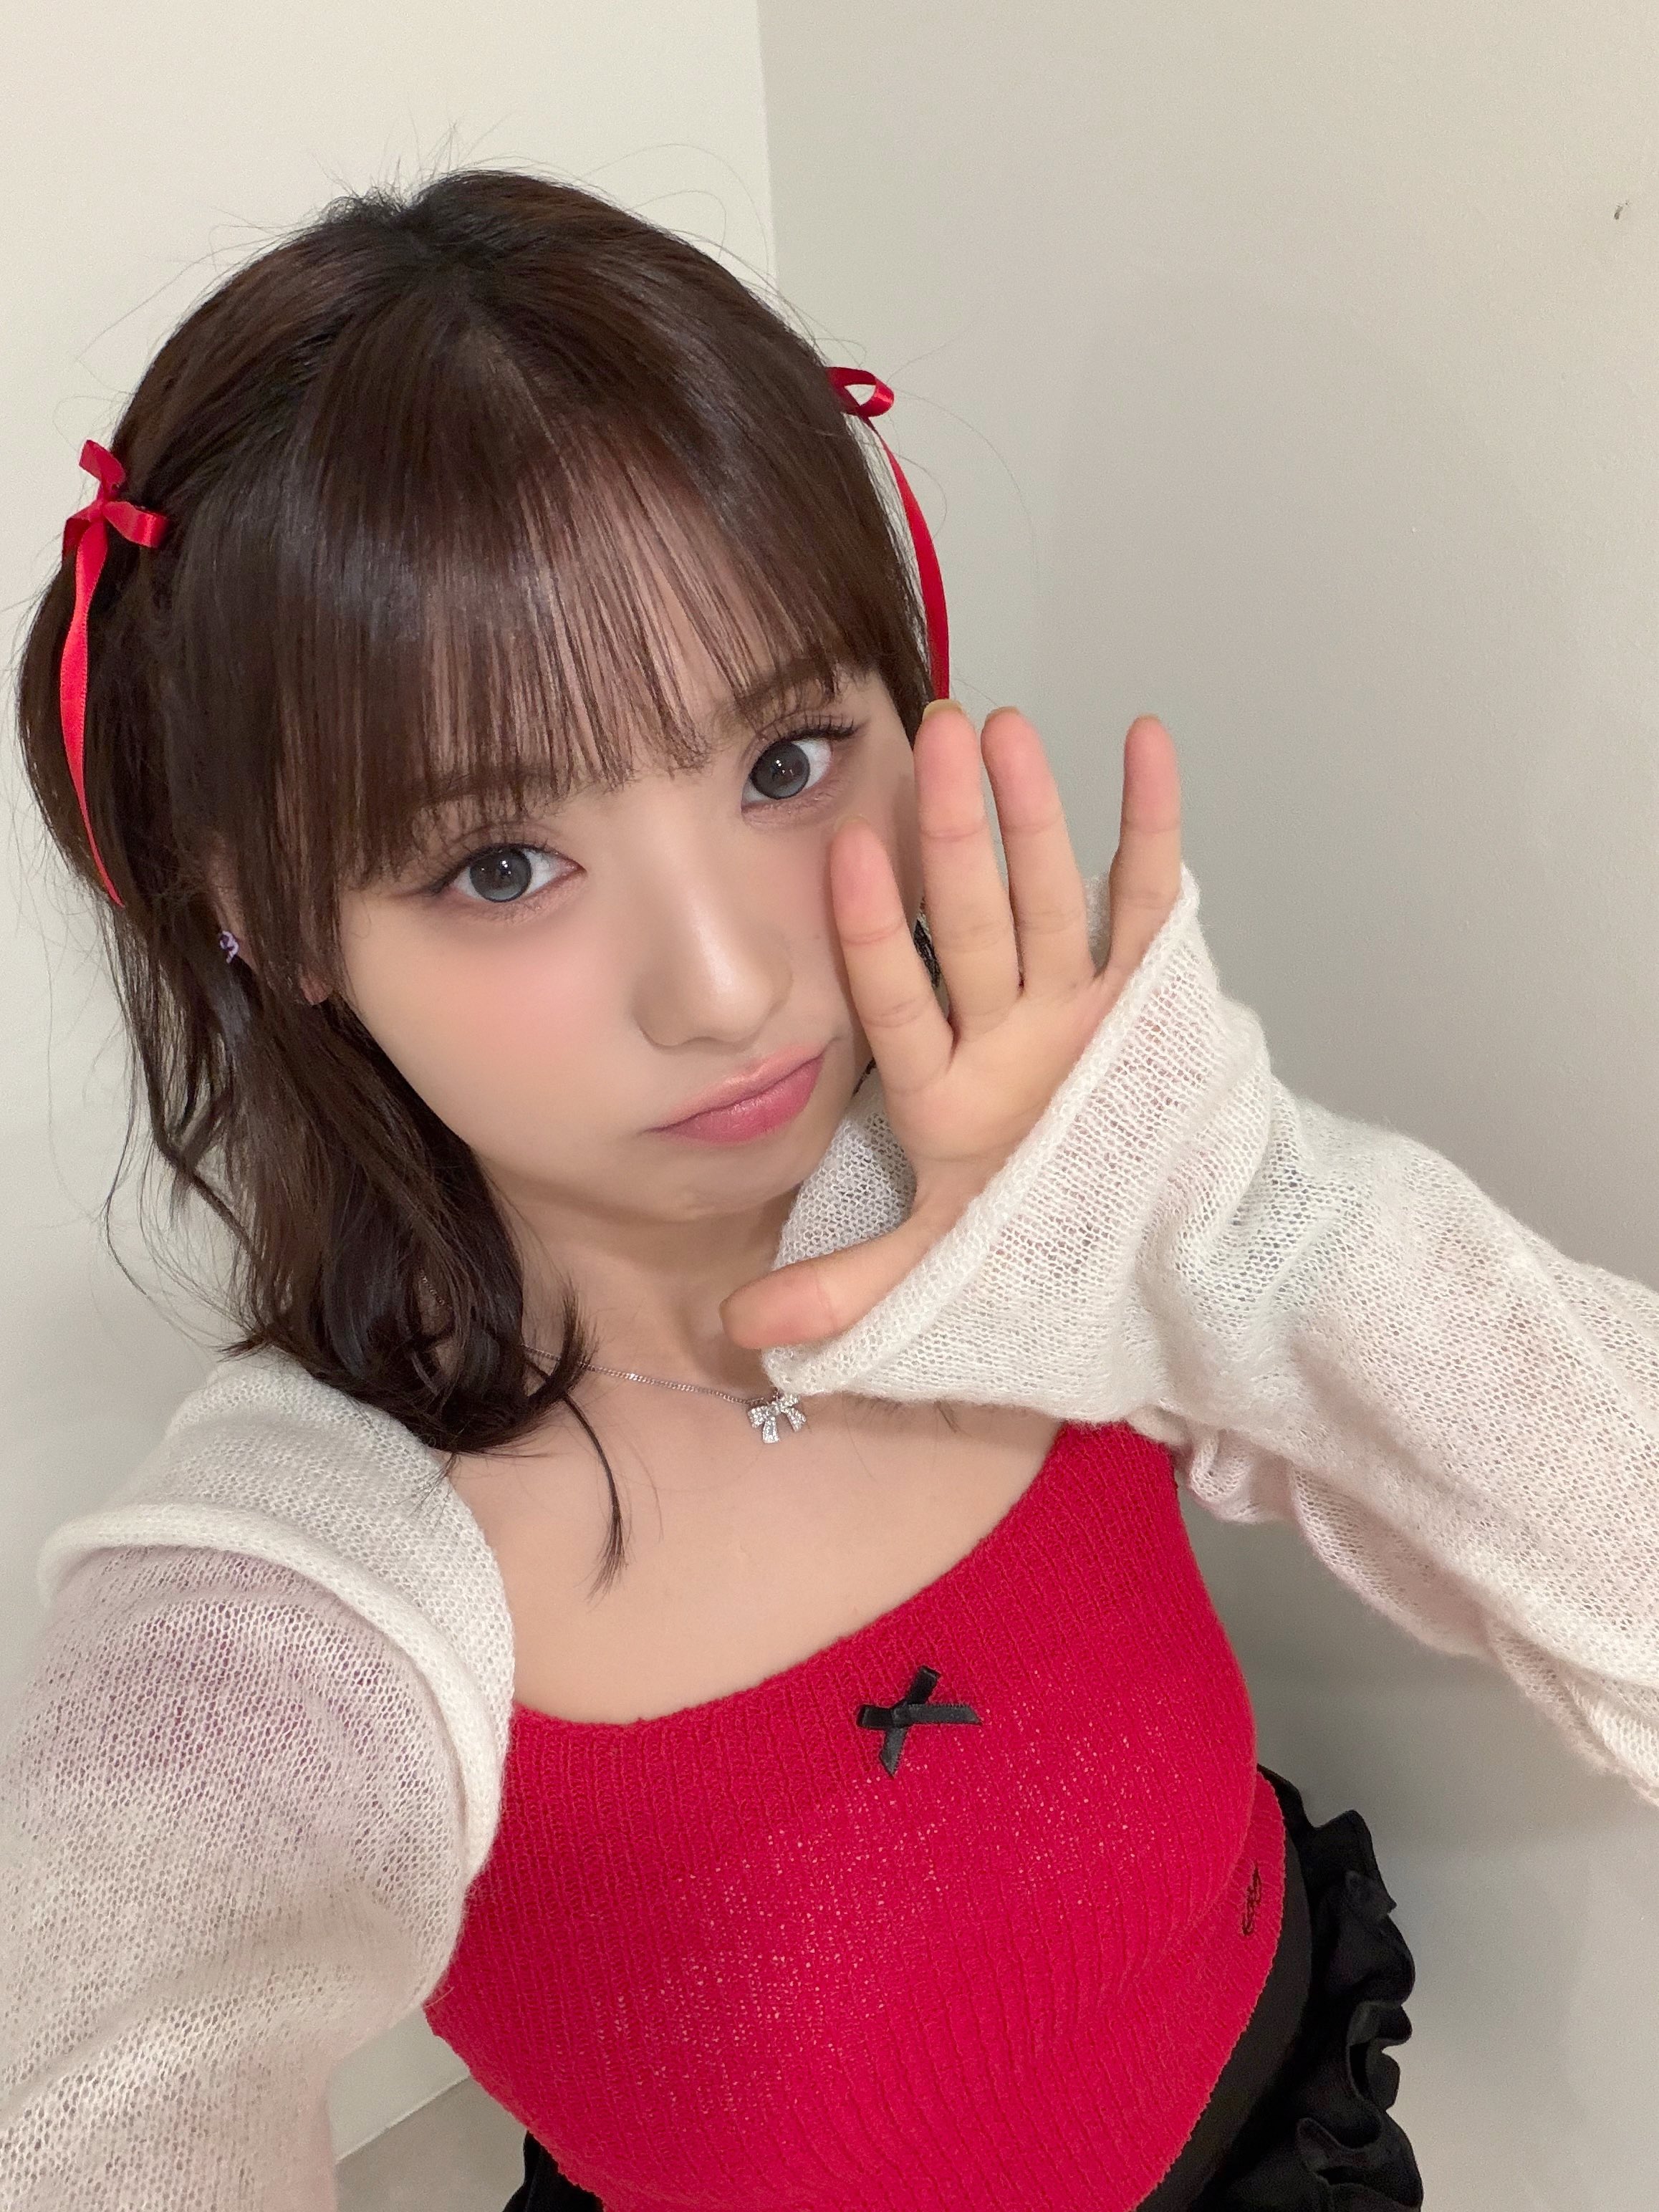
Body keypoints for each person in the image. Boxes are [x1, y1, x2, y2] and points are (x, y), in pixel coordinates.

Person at [6, 163, 1650, 2212]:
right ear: (264, 915)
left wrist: (1214, 1224)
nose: (725, 985)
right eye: (501, 864)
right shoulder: (285, 1601)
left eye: (785, 761)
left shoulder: (1043, 1183)